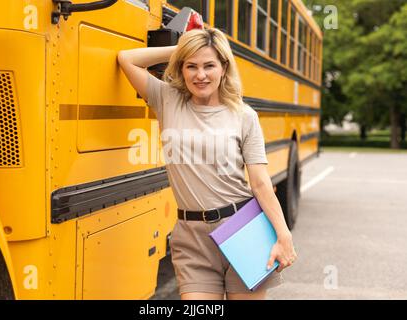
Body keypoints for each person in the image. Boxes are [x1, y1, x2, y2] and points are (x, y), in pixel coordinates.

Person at [118, 27, 297, 300]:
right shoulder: (168, 99)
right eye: (191, 66)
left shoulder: (244, 116)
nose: (200, 75)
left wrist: (283, 236)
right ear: (181, 67)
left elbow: (260, 184)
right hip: (191, 238)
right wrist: (185, 48)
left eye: (209, 65)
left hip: (242, 229)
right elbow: (126, 58)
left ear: (224, 68)